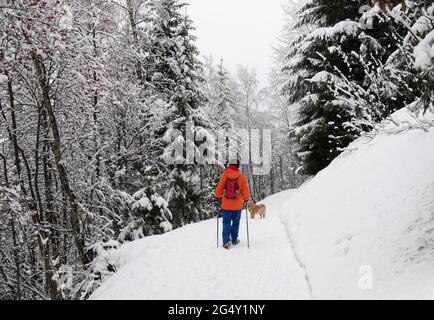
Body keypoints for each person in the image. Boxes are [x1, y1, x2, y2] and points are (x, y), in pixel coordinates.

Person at [215, 160, 250, 249]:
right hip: (237, 206)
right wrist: (246, 199)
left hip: (226, 205)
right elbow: (245, 191)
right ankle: (234, 239)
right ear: (238, 166)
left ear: (229, 165)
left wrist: (218, 196)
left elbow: (218, 192)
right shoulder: (242, 177)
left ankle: (226, 242)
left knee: (226, 222)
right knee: (236, 222)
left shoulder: (224, 177)